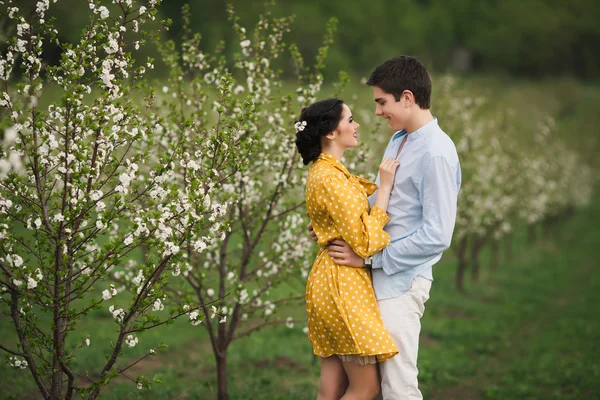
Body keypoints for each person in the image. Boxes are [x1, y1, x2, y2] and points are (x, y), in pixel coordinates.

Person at [311, 56, 461, 399]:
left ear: (407, 97)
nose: (377, 112)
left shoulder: (437, 152)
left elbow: (437, 235)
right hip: (374, 281)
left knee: (398, 386)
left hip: (401, 283)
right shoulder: (401, 139)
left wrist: (368, 260)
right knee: (367, 387)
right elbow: (389, 201)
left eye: (382, 102)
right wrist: (336, 221)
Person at [295, 98, 401, 400]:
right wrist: (385, 188)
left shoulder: (325, 172)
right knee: (365, 388)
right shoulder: (330, 178)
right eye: (350, 120)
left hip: (329, 280)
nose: (356, 126)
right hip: (343, 285)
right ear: (330, 132)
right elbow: (366, 243)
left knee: (331, 388)